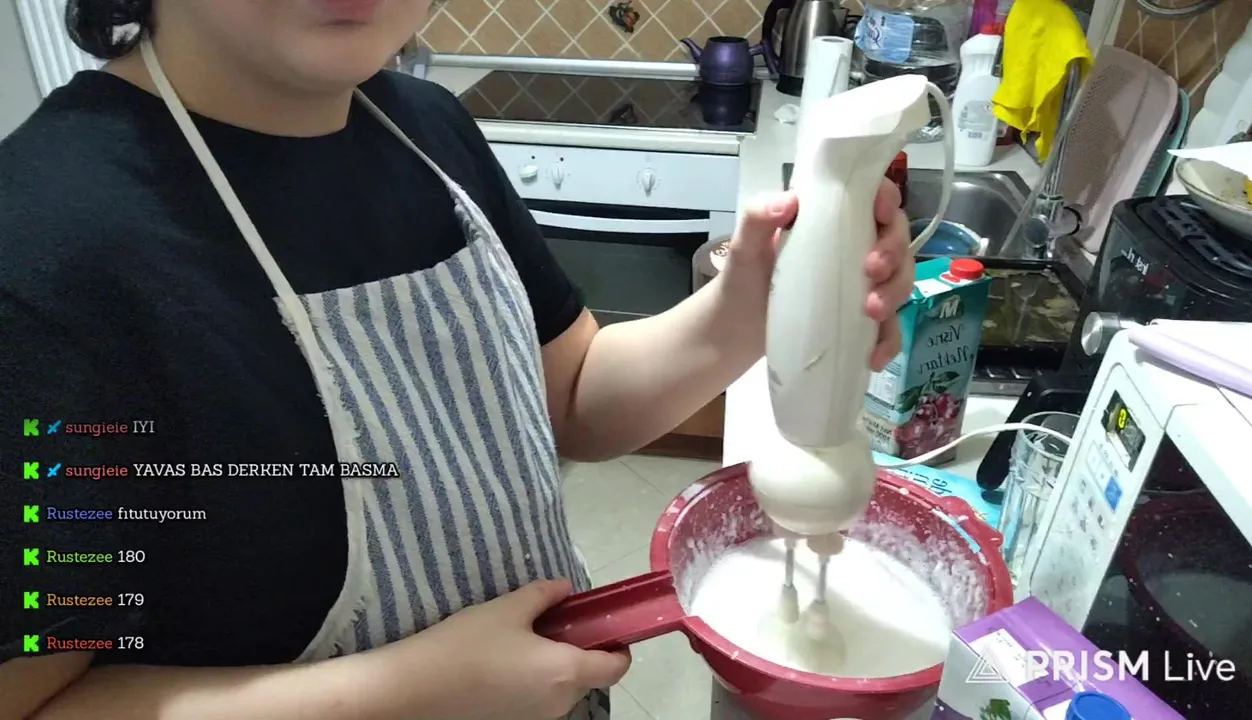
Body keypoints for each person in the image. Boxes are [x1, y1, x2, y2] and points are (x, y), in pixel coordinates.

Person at [0, 0, 915, 718]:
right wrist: (402, 698)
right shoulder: (43, 251)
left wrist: (748, 308)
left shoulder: (424, 127)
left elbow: (574, 396)